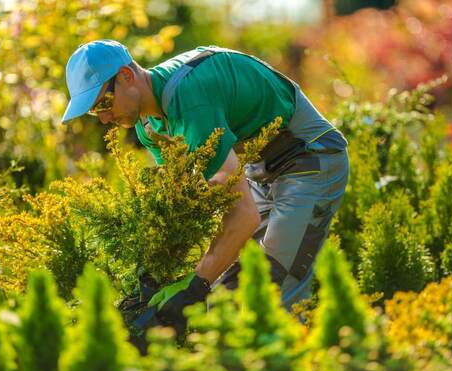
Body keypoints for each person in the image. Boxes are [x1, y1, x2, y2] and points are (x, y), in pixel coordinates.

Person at [62, 40, 349, 332]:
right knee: (227, 298)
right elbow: (186, 198)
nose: (104, 118)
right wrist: (154, 270)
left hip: (311, 158)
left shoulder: (190, 100)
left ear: (126, 75)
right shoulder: (149, 126)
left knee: (273, 287)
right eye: (93, 111)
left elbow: (243, 215)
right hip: (261, 173)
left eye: (104, 103)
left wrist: (196, 285)